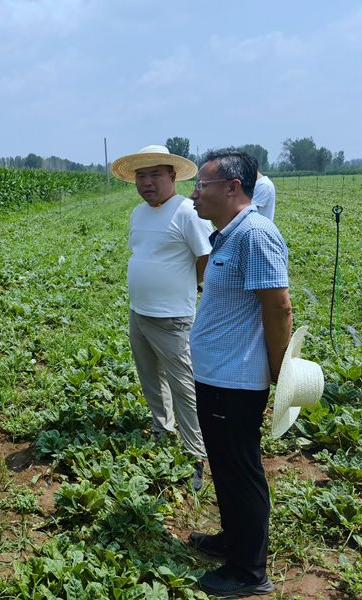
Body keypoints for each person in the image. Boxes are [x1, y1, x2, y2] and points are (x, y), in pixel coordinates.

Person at [188, 149, 291, 597]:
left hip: (236, 381)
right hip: (216, 376)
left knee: (240, 471)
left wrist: (279, 368)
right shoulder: (228, 235)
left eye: (202, 185)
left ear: (232, 188)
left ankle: (249, 572)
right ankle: (233, 539)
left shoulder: (255, 234)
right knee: (225, 466)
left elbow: (278, 306)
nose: (195, 194)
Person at [111, 145, 211, 490]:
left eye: (155, 174)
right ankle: (161, 429)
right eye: (141, 176)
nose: (147, 182)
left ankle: (196, 453)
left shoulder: (186, 212)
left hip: (172, 317)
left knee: (183, 385)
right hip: (139, 311)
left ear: (172, 175)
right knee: (150, 377)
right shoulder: (138, 213)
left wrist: (191, 285)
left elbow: (205, 256)